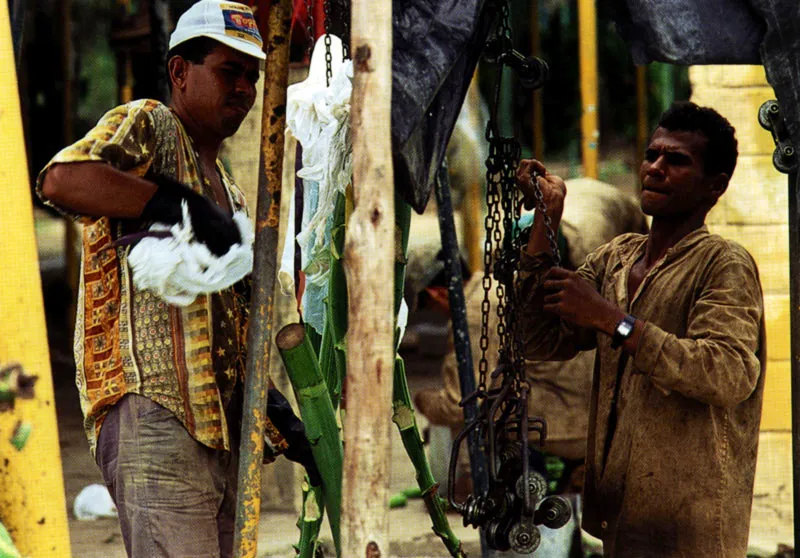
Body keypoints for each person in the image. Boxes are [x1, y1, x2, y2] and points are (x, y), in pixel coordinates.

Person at [36, 2, 317, 556]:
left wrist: (278, 417)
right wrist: (169, 201)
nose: (243, 88)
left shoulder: (233, 194)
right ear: (180, 72)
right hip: (155, 415)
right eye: (228, 71)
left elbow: (233, 330)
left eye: (252, 78)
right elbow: (61, 179)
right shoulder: (151, 124)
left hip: (219, 434)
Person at [514, 101, 766, 556]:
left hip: (690, 525)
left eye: (677, 161)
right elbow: (539, 339)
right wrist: (547, 219)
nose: (656, 168)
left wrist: (613, 320)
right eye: (652, 155)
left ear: (715, 186)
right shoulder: (616, 257)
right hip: (620, 513)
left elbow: (727, 373)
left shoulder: (723, 264)